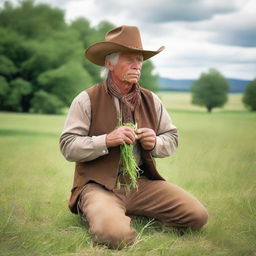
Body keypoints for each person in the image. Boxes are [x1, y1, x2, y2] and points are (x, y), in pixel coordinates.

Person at [60, 25, 208, 249]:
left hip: (139, 184)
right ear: (109, 63)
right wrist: (106, 140)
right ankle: (103, 211)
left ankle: (122, 211)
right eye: (129, 59)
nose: (137, 65)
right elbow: (68, 146)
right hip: (99, 185)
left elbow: (172, 137)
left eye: (140, 60)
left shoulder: (151, 99)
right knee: (116, 236)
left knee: (197, 216)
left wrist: (155, 142)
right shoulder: (87, 99)